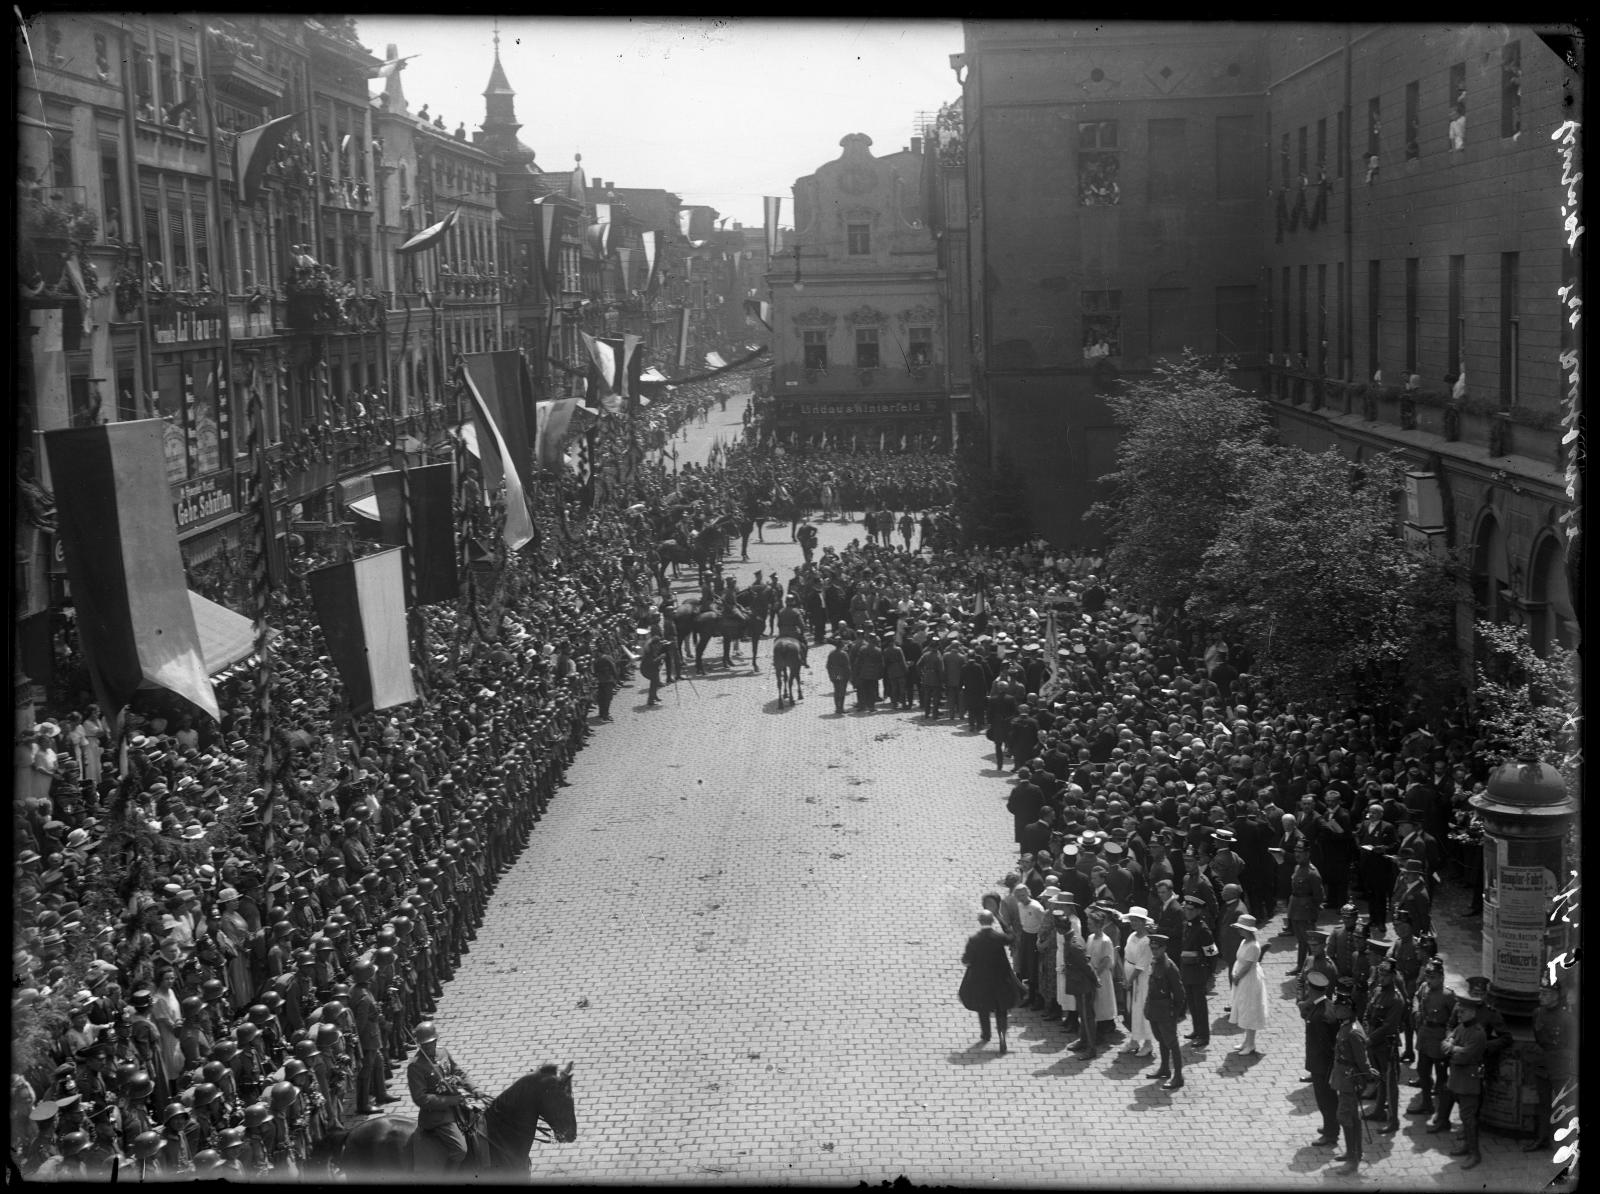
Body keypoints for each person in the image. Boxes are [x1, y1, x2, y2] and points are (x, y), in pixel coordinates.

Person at [406, 1023, 487, 1175]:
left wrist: (473, 1088)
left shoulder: (442, 1052)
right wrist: (452, 1101)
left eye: (433, 1042)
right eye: (426, 1044)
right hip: (437, 1116)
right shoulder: (415, 1066)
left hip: (457, 1106)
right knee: (460, 1150)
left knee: (481, 1124)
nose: (431, 1046)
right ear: (420, 1045)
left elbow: (458, 1071)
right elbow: (421, 1098)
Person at [1429, 988, 1487, 1169]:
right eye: (1458, 1011)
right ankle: (1466, 1146)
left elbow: (1464, 1056)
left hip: (1469, 1080)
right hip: (1456, 1078)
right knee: (1463, 1115)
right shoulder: (1461, 1027)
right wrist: (1453, 1046)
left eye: (1462, 1011)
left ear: (1472, 1012)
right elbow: (1444, 1044)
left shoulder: (1477, 1033)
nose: (1458, 1014)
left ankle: (1474, 1154)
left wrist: (1452, 1048)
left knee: (1468, 1117)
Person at [1329, 980, 1374, 1175]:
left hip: (1350, 1079)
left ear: (1348, 1010)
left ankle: (1353, 1160)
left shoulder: (1354, 1032)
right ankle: (1353, 1152)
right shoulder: (1346, 1025)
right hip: (1343, 1076)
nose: (1336, 1010)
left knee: (1345, 1117)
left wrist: (1366, 1077)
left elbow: (1362, 1061)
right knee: (1352, 1117)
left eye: (1339, 1008)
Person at [958, 911, 1019, 1054]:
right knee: (1001, 1008)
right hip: (1000, 979)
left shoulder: (974, 939)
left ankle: (986, 1034)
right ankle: (1002, 1036)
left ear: (979, 921)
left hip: (981, 980)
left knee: (983, 1006)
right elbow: (1012, 937)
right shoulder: (999, 937)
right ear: (992, 921)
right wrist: (1004, 923)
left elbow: (966, 959)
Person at [1362, 957, 1406, 1134]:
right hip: (1373, 1042)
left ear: (1393, 975)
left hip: (1386, 1046)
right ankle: (1379, 1111)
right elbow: (1367, 1013)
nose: (1382, 978)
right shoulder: (1377, 991)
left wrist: (1371, 1038)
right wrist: (1366, 1031)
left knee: (1391, 1084)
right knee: (1379, 1078)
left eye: (1386, 975)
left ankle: (1393, 1120)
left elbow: (1389, 1026)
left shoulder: (1396, 999)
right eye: (1380, 974)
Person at [1143, 933, 1186, 1090]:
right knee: (1161, 1039)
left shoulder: (1169, 967)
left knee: (1172, 1043)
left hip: (1165, 1012)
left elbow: (1180, 994)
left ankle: (1178, 1076)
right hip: (1154, 1010)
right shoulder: (1155, 962)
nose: (1153, 951)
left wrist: (1174, 1013)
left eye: (1156, 948)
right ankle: (1164, 1068)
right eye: (1151, 948)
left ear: (1164, 948)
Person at [1177, 894, 1217, 1049]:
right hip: (1187, 970)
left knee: (1200, 1005)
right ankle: (1196, 1030)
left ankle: (1204, 1035)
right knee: (1192, 1004)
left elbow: (1212, 954)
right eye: (1185, 909)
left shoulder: (1203, 930)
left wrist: (1208, 974)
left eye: (1191, 909)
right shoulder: (1188, 925)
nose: (1187, 912)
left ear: (1198, 911)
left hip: (1198, 972)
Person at [1226, 914, 1267, 1054]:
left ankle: (1251, 1044)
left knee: (1250, 1009)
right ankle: (1246, 1041)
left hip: (1249, 980)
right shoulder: (1244, 942)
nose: (1239, 931)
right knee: (1244, 1008)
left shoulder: (1254, 946)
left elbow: (1247, 966)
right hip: (1243, 980)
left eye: (1242, 928)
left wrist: (1237, 977)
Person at [1120, 907, 1155, 1056]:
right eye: (1132, 920)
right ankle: (1134, 1040)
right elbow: (1126, 955)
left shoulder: (1147, 941)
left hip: (1140, 979)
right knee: (1131, 1010)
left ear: (1143, 922)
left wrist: (1130, 981)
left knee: (1141, 1009)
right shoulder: (1132, 936)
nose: (1133, 923)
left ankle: (1148, 1043)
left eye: (1136, 920)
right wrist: (1124, 976)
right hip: (1129, 976)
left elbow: (1141, 966)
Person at [824, 638, 852, 715]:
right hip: (841, 675)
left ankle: (837, 707)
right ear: (841, 646)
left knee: (836, 690)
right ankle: (841, 708)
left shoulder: (831, 653)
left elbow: (828, 665)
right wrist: (849, 676)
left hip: (834, 675)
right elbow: (847, 666)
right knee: (842, 691)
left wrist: (830, 674)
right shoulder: (844, 654)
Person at [591, 646, 618, 722]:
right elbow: (613, 668)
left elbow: (595, 671)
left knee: (601, 698)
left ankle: (601, 713)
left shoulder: (596, 660)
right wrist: (616, 678)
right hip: (607, 680)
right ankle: (605, 715)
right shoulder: (607, 658)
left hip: (600, 681)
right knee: (607, 698)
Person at [640, 631, 666, 706]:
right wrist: (660, 657)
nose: (659, 646)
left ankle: (654, 696)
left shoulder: (654, 648)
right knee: (654, 684)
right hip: (647, 670)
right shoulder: (649, 652)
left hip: (652, 669)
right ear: (654, 644)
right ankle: (650, 700)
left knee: (656, 682)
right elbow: (652, 662)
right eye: (658, 644)